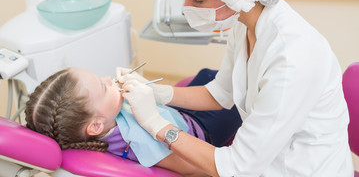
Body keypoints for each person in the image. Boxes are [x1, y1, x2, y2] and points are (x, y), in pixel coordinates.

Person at [118, 0, 355, 176]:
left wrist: (156, 124)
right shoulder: (244, 20)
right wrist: (157, 92)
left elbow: (236, 167)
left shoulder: (292, 58)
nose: (186, 6)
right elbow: (220, 94)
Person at [25, 67, 241, 176]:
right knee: (241, 91)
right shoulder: (138, 141)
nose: (108, 79)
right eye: (103, 86)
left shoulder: (106, 120)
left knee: (206, 74)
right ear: (95, 126)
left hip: (174, 114)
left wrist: (154, 92)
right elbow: (194, 168)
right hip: (202, 131)